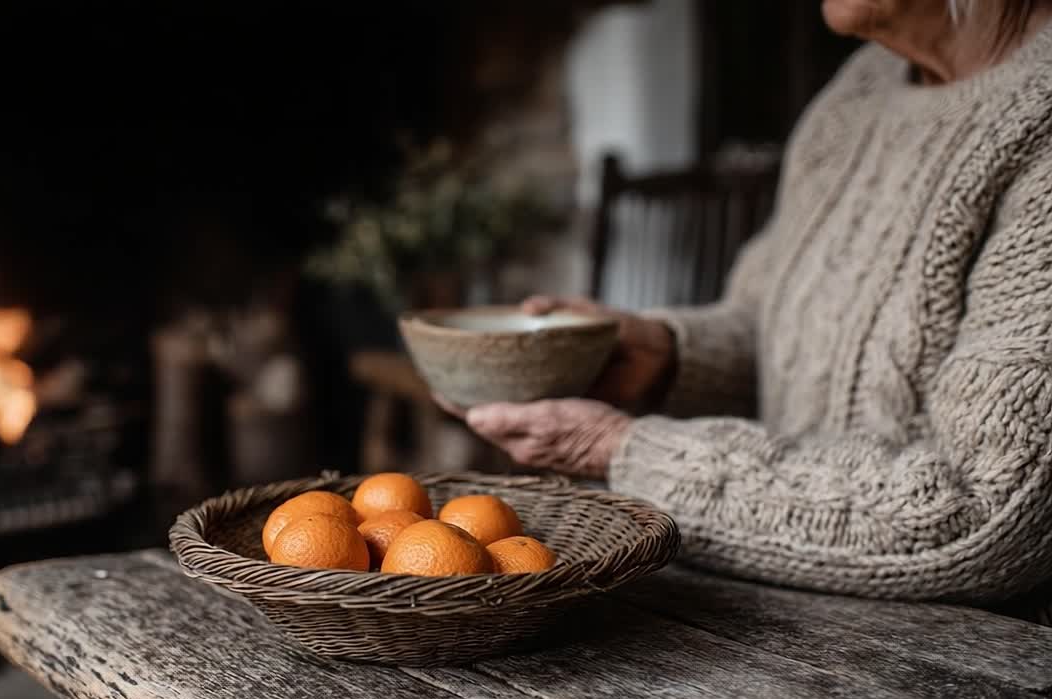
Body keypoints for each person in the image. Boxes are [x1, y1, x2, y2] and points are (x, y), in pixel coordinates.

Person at [448, 0, 1052, 624]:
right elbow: (767, 324)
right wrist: (661, 357)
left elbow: (985, 510)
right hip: (767, 605)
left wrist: (617, 449)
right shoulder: (859, 90)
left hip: (964, 651)